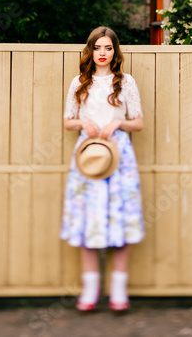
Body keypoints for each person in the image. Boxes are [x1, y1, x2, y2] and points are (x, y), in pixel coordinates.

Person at [60, 26, 145, 313]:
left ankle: (119, 293)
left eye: (108, 48)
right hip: (88, 157)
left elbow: (139, 122)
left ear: (115, 52)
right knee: (89, 220)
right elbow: (68, 120)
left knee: (120, 220)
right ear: (90, 50)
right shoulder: (79, 82)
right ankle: (90, 292)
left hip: (120, 157)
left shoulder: (126, 82)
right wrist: (83, 123)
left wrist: (118, 123)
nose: (102, 53)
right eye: (98, 48)